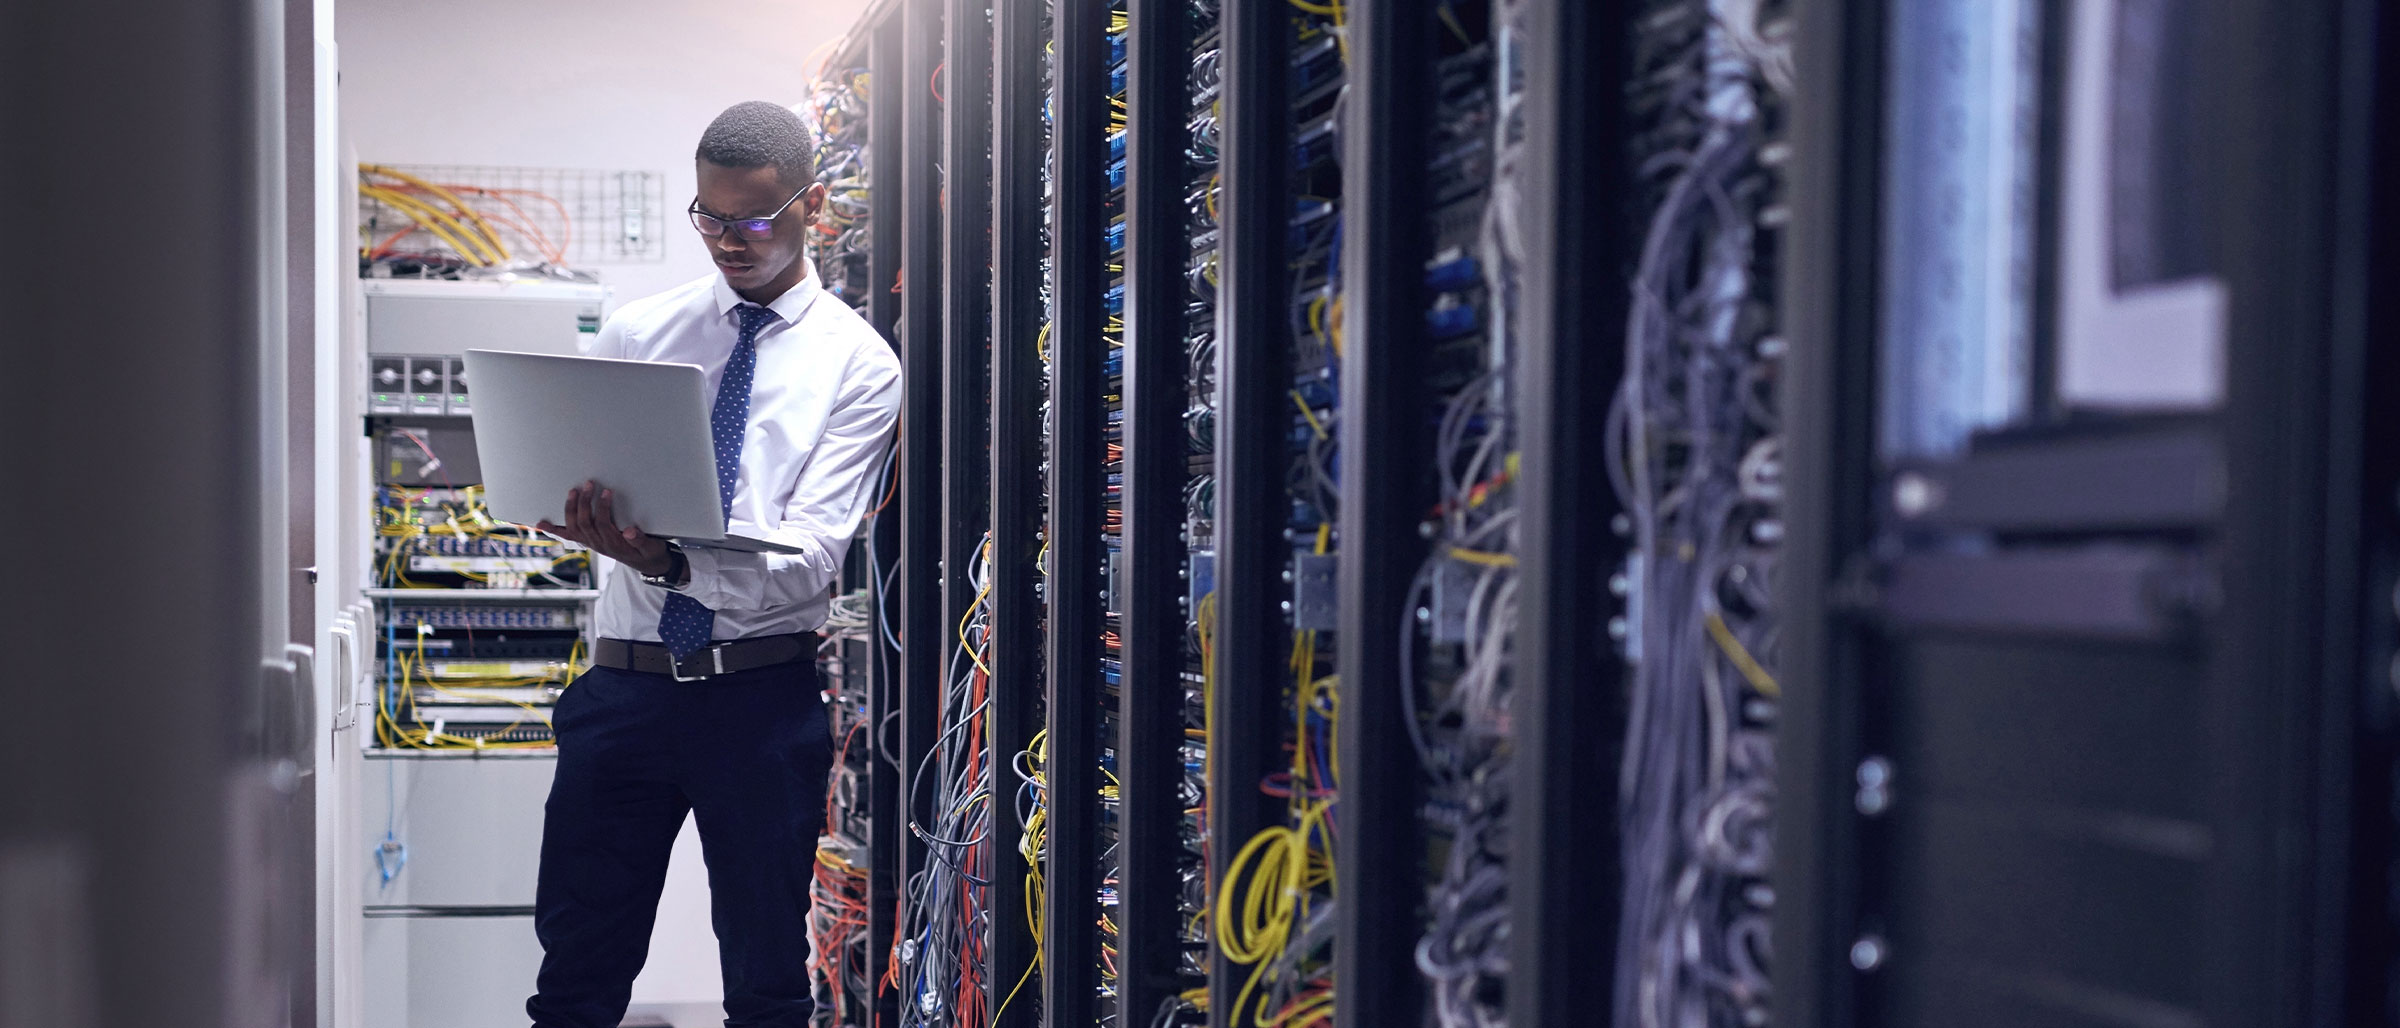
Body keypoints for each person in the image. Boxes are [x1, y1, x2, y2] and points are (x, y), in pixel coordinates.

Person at [524, 99, 902, 1028]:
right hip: (624, 693)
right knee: (576, 973)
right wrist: (577, 519)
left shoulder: (859, 366)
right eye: (711, 217)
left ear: (815, 205)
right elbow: (588, 481)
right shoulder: (637, 333)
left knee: (767, 981)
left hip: (757, 705)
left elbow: (813, 561)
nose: (729, 241)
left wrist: (665, 561)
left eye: (756, 219)